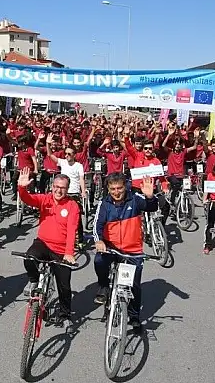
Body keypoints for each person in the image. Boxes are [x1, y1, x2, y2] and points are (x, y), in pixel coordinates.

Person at [92, 173, 159, 330]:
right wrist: (99, 240)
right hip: (110, 247)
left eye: (120, 188)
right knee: (98, 261)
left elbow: (152, 207)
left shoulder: (134, 198)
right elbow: (97, 225)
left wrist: (150, 197)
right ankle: (103, 286)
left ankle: (134, 316)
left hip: (132, 250)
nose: (116, 192)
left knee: (134, 285)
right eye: (113, 189)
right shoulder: (104, 203)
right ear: (108, 189)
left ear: (126, 187)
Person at [17, 168, 78, 322]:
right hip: (43, 243)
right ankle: (34, 280)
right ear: (52, 186)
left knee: (64, 286)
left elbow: (72, 230)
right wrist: (22, 188)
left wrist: (69, 253)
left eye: (63, 188)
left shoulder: (72, 206)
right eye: (56, 186)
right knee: (29, 258)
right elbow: (27, 199)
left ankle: (65, 314)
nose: (59, 190)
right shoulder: (45, 199)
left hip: (62, 249)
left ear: (67, 189)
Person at [46, 133, 86, 247]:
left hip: (74, 194)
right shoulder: (62, 162)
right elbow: (49, 154)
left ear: (74, 155)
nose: (67, 155)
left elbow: (81, 179)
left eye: (69, 154)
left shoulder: (78, 166)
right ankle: (61, 237)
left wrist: (83, 191)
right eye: (66, 153)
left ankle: (80, 241)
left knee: (76, 219)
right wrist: (48, 143)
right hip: (62, 194)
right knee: (59, 216)